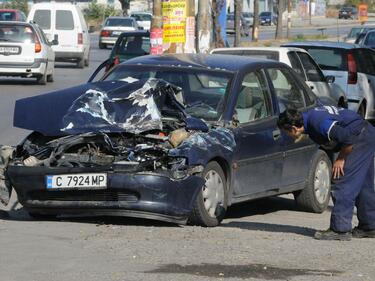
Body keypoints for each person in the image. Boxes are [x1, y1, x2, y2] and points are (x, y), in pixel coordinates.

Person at [278, 106, 375, 241]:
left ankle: (340, 230)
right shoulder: (308, 117)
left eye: (286, 132)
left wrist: (341, 159)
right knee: (363, 183)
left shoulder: (317, 123)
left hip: (358, 137)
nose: (286, 135)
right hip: (367, 133)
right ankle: (369, 226)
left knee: (342, 180)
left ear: (294, 128)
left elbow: (347, 138)